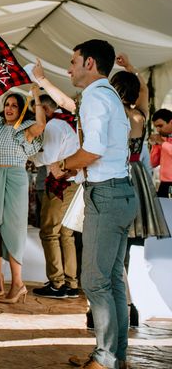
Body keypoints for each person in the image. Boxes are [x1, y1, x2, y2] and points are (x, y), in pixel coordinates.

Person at [48, 40, 136, 369]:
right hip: (120, 192)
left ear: (89, 63)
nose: (69, 68)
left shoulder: (96, 97)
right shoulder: (110, 95)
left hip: (107, 193)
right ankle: (116, 356)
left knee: (95, 280)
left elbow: (93, 151)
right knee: (111, 279)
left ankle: (106, 358)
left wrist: (63, 164)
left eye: (72, 62)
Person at [0, 87, 45, 304]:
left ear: (21, 110)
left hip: (16, 178)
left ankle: (18, 284)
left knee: (14, 230)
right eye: (6, 105)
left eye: (14, 105)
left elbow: (41, 124)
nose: (9, 108)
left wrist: (36, 96)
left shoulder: (25, 129)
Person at [111, 55, 169, 242]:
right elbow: (144, 88)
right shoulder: (140, 115)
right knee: (139, 220)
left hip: (117, 171)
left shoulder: (112, 115)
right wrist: (129, 65)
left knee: (114, 225)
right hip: (138, 172)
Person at [29, 94, 80, 299]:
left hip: (59, 185)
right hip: (73, 183)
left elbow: (48, 158)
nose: (37, 118)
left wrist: (30, 154)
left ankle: (57, 283)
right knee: (66, 235)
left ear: (46, 110)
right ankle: (71, 283)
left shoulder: (54, 125)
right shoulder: (67, 123)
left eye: (37, 112)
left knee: (50, 233)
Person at [150, 108, 172, 197]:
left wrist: (162, 143)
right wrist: (155, 145)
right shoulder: (163, 139)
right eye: (156, 127)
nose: (158, 130)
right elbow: (153, 163)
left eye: (160, 126)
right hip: (164, 184)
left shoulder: (163, 142)